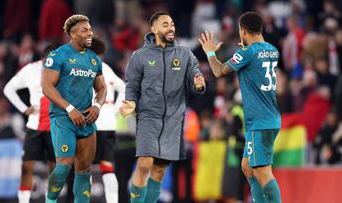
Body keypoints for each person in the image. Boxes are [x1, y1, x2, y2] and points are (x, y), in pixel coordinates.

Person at [119, 11, 206, 203]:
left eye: (173, 24)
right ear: (154, 29)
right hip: (149, 117)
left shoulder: (184, 54)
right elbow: (132, 85)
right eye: (165, 24)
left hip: (173, 120)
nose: (171, 28)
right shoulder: (139, 56)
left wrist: (198, 84)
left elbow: (195, 76)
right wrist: (131, 102)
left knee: (159, 169)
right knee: (144, 164)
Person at [199, 12, 282, 203]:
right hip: (270, 117)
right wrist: (245, 49)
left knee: (262, 171)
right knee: (247, 166)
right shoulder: (272, 50)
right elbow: (255, 63)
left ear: (242, 30)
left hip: (259, 121)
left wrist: (210, 52)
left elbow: (218, 71)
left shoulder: (247, 53)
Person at [42, 14, 107, 203]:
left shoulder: (94, 60)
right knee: (64, 165)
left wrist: (96, 105)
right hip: (63, 118)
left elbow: (102, 88)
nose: (90, 33)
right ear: (72, 34)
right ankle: (50, 201)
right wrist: (70, 108)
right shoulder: (58, 55)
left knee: (84, 170)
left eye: (90, 29)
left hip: (86, 119)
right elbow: (47, 87)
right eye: (84, 30)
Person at [3, 45, 57, 203]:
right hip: (34, 125)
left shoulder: (65, 71)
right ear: (43, 59)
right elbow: (8, 89)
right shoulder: (30, 70)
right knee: (26, 167)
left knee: (54, 169)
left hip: (56, 126)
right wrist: (23, 109)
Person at [89, 37, 125, 203]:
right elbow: (124, 88)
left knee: (84, 167)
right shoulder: (107, 68)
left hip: (92, 124)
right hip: (109, 123)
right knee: (108, 168)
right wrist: (115, 111)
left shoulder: (86, 68)